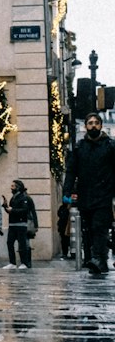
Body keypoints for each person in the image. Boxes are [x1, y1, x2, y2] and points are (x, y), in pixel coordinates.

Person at [63, 111, 115, 276]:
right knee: (88, 230)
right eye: (90, 123)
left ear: (100, 126)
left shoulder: (110, 146)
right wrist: (67, 191)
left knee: (99, 227)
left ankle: (98, 258)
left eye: (96, 123)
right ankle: (98, 261)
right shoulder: (79, 147)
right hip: (85, 195)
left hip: (104, 194)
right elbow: (71, 171)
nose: (93, 125)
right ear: (85, 126)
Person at [3, 179, 38, 269]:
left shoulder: (24, 198)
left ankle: (24, 263)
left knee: (22, 244)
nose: (11, 188)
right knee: (9, 243)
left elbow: (25, 210)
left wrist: (12, 210)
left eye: (13, 186)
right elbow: (10, 211)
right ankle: (12, 262)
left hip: (21, 224)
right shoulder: (13, 198)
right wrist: (5, 207)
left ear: (18, 187)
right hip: (12, 224)